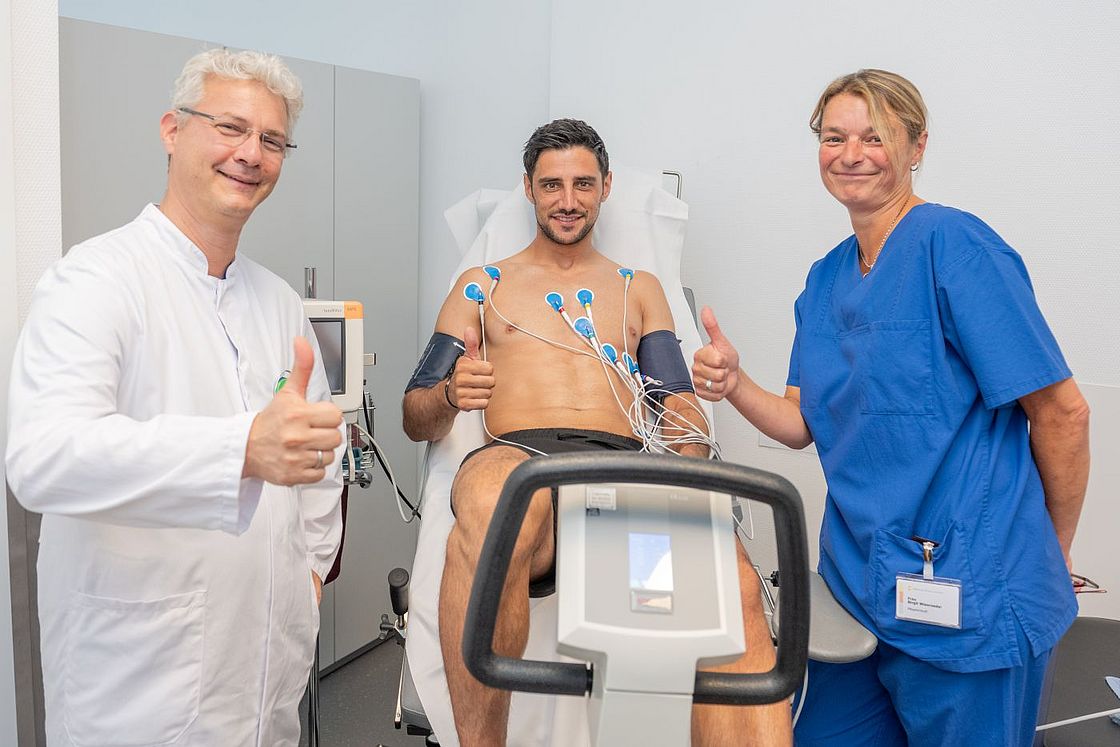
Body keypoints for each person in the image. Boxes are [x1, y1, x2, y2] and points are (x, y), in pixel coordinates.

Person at [692, 69, 1090, 746]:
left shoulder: (953, 246)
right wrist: (735, 385)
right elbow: (799, 423)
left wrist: (1045, 554)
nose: (852, 154)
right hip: (856, 592)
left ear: (916, 146)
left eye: (875, 136)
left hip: (974, 597)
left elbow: (1063, 412)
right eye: (833, 137)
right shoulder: (825, 278)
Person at [403, 118, 793, 746]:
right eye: (552, 184)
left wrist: (690, 439)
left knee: (737, 583)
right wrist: (450, 395)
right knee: (489, 501)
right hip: (520, 458)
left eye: (583, 183)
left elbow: (677, 406)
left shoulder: (637, 289)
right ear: (527, 189)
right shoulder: (482, 287)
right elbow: (414, 413)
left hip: (625, 469)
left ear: (606, 187)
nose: (567, 200)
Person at [5, 49, 344, 745]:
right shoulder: (94, 280)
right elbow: (42, 458)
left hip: (263, 678)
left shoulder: (280, 302)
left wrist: (308, 575)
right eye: (230, 127)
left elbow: (316, 457)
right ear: (172, 130)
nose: (250, 154)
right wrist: (239, 448)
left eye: (272, 140)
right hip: (138, 686)